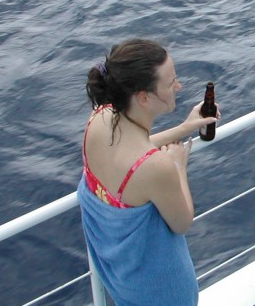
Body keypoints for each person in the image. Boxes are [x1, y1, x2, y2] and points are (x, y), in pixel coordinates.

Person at [77, 39, 218, 306]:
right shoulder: (157, 168)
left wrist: (185, 127)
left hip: (120, 278)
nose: (179, 86)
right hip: (162, 290)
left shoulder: (100, 117)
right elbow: (182, 222)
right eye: (171, 83)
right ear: (143, 97)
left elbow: (131, 152)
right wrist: (178, 167)